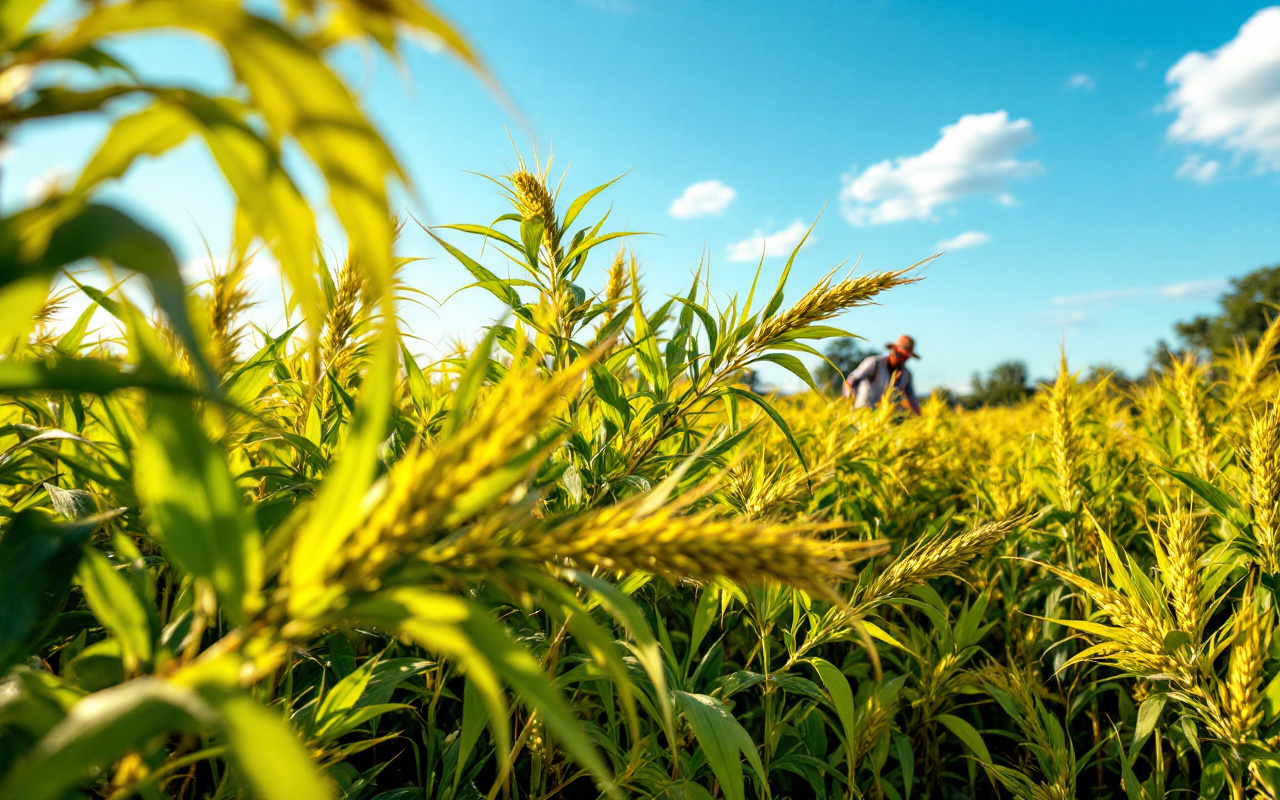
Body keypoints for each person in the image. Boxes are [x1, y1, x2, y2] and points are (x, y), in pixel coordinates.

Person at [843, 334, 921, 415]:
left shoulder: (906, 375)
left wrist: (919, 416)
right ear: (892, 350)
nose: (900, 359)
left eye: (905, 357)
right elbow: (850, 380)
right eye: (899, 354)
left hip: (885, 417)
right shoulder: (874, 363)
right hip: (862, 413)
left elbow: (912, 399)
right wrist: (850, 398)